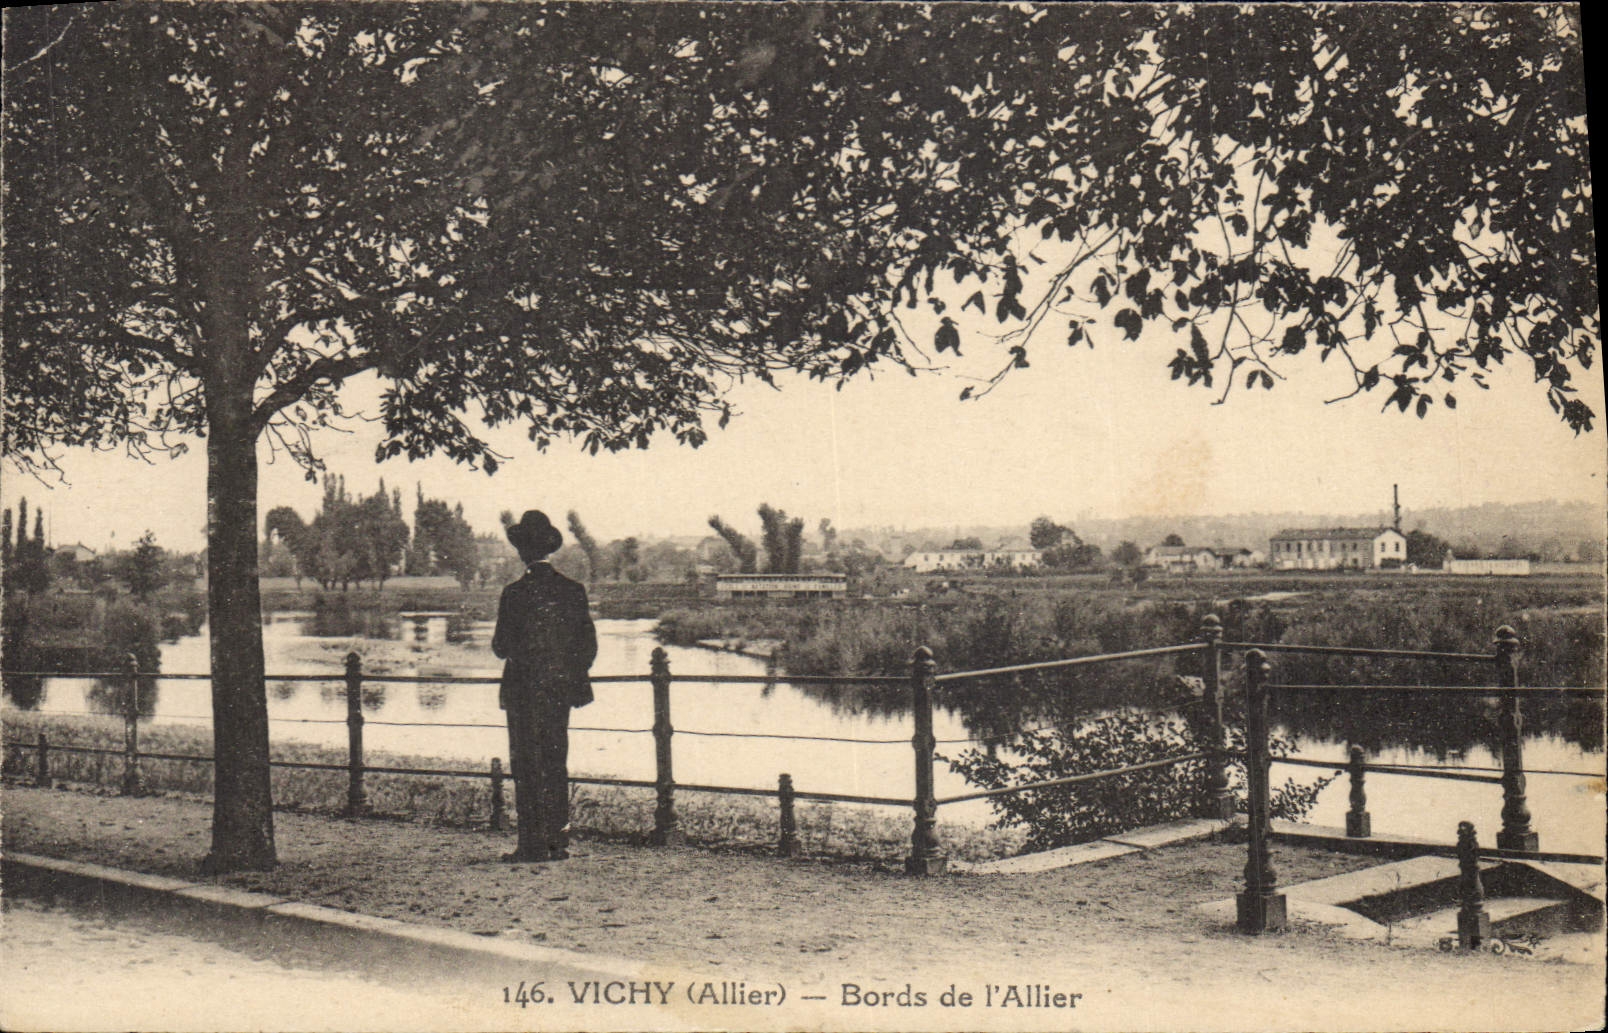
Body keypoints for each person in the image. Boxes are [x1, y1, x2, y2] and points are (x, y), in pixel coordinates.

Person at [492, 509, 597, 861]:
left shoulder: (514, 594)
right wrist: (567, 674)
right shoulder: (573, 591)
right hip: (559, 693)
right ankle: (557, 841)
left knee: (525, 763)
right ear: (551, 549)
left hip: (523, 692)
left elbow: (500, 648)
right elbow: (588, 646)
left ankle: (530, 844)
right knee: (555, 761)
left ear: (522, 551)